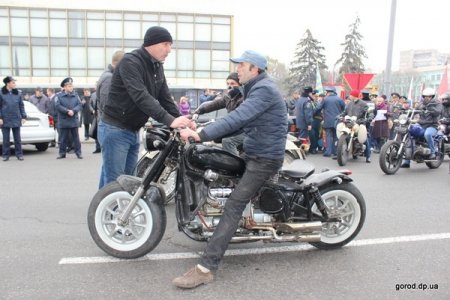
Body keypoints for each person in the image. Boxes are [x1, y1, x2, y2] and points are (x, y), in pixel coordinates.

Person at [173, 50, 287, 289]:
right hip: (253, 151)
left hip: (265, 158)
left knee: (235, 204)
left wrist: (201, 135)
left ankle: (206, 268)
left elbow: (237, 118)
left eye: (242, 65)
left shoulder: (264, 90)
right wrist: (200, 127)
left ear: (255, 69)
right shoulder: (252, 88)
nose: (238, 70)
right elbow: (239, 123)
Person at [98, 26, 193, 188]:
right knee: (116, 183)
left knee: (124, 181)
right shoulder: (130, 62)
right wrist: (169, 121)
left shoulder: (157, 66)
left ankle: (102, 211)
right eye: (166, 44)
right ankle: (111, 212)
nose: (169, 50)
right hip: (115, 130)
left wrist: (181, 120)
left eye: (170, 45)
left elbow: (165, 97)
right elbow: (140, 96)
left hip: (133, 130)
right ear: (152, 43)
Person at [194, 72, 244, 156]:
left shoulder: (243, 98)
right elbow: (214, 104)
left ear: (240, 84)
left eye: (232, 83)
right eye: (228, 83)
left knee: (228, 141)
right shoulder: (228, 97)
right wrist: (198, 111)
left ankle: (236, 167)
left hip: (246, 130)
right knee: (216, 138)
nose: (230, 86)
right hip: (236, 128)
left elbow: (235, 118)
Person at [401, 88, 443, 168]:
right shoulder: (421, 103)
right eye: (425, 96)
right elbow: (414, 111)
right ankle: (407, 161)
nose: (426, 98)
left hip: (432, 125)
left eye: (429, 96)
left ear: (432, 96)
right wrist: (406, 112)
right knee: (410, 133)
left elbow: (437, 112)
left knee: (427, 134)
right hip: (421, 125)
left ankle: (433, 152)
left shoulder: (438, 104)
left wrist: (429, 107)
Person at [55, 77, 83, 159]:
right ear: (64, 87)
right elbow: (57, 106)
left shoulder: (76, 95)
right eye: (69, 86)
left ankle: (78, 153)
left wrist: (74, 111)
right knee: (63, 138)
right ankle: (62, 153)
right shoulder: (59, 96)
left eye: (71, 86)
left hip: (73, 120)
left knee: (76, 138)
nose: (71, 87)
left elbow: (80, 105)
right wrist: (67, 111)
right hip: (64, 120)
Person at [0, 76, 27, 161]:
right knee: (6, 139)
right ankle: (5, 155)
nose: (15, 84)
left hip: (16, 118)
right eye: (13, 82)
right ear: (8, 83)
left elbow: (21, 106)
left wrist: (23, 116)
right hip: (5, 118)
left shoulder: (17, 93)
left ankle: (19, 154)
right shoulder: (1, 93)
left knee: (17, 139)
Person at [341, 89, 372, 163]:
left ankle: (368, 156)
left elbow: (369, 113)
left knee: (364, 138)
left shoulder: (363, 104)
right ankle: (340, 151)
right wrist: (340, 116)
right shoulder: (349, 104)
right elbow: (344, 112)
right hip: (349, 122)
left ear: (354, 96)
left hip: (359, 123)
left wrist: (369, 118)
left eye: (351, 95)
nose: (350, 96)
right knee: (343, 134)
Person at [315, 86, 345, 158]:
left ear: (328, 92)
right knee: (336, 136)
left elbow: (318, 108)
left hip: (328, 121)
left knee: (328, 136)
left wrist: (316, 113)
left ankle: (328, 152)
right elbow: (344, 109)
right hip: (337, 121)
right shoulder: (340, 99)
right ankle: (335, 152)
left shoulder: (325, 99)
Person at [89, 89, 101, 153]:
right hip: (96, 117)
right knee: (96, 132)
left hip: (104, 117)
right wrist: (92, 110)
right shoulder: (93, 95)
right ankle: (98, 148)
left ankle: (103, 147)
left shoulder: (105, 92)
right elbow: (90, 104)